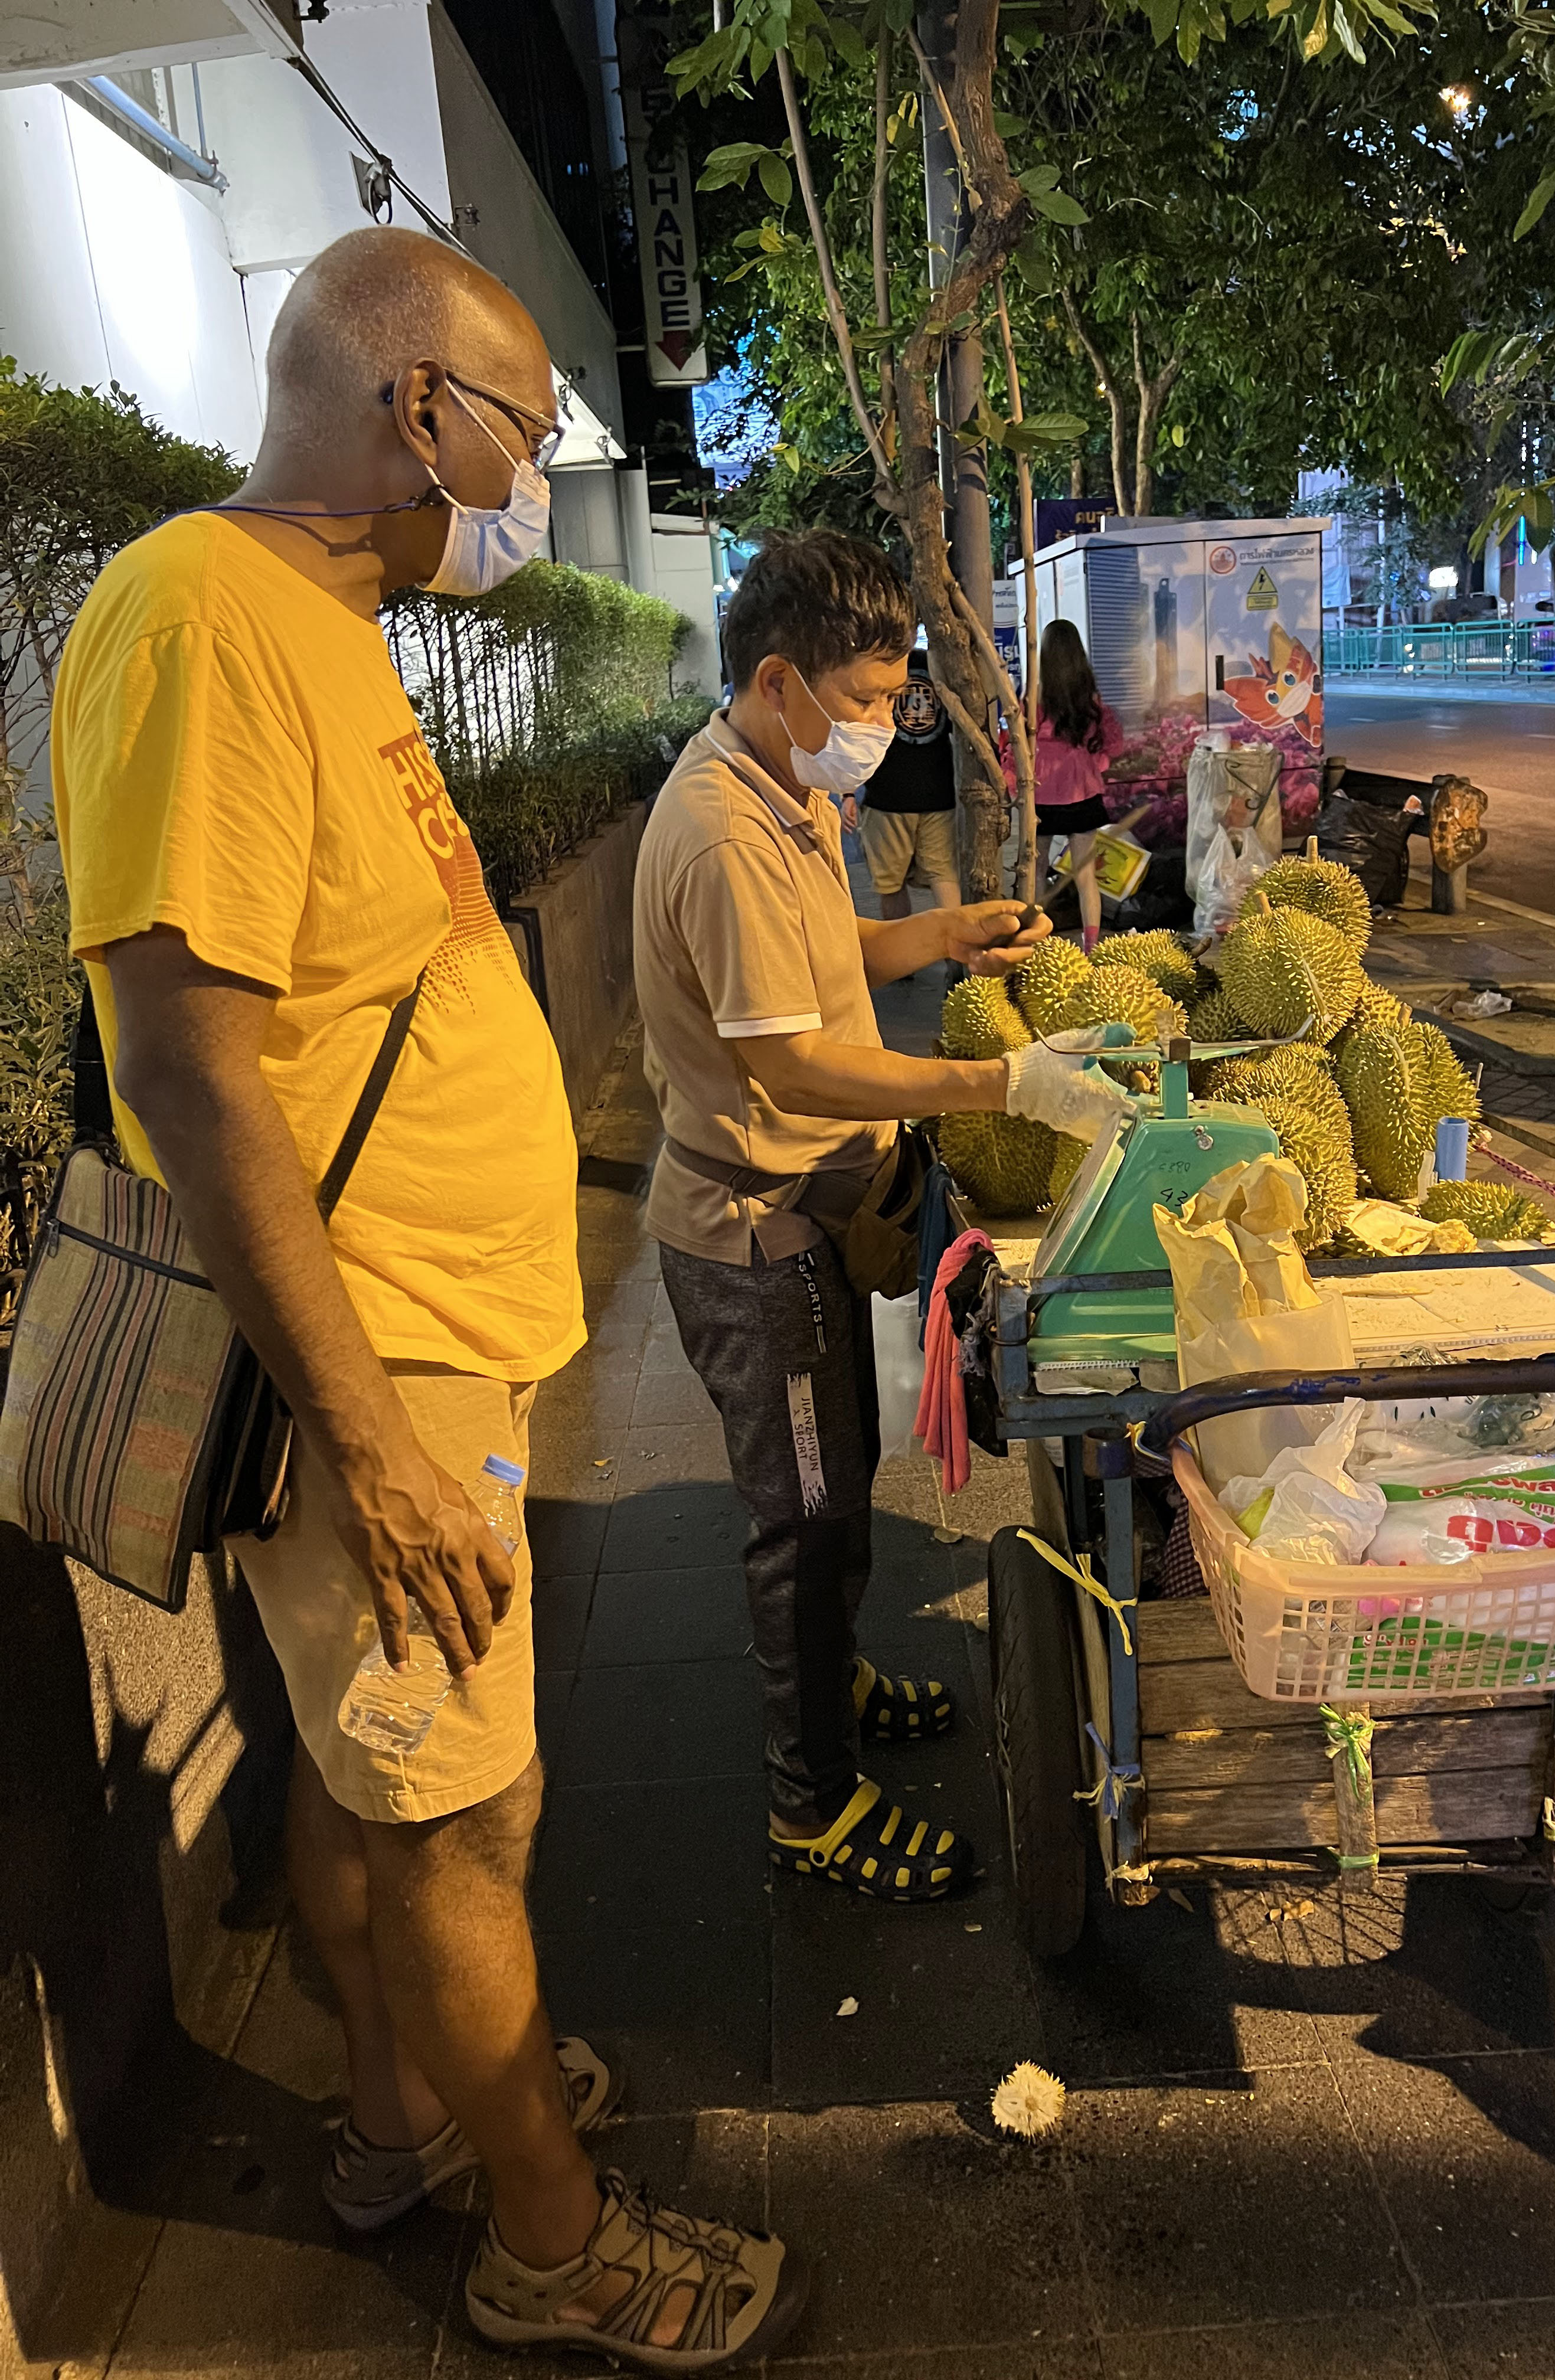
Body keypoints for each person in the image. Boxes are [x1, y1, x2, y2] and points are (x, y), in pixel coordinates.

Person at [52, 227, 803, 2372]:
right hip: (367, 1368)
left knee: (370, 1773)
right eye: (519, 431)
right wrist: (374, 1439)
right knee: (467, 1812)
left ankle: (400, 2112)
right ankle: (555, 2245)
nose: (527, 475)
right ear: (414, 411)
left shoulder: (312, 620)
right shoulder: (201, 617)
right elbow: (185, 1061)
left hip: (416, 1340)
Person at [632, 530, 1132, 1905]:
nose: (878, 726)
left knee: (837, 1490)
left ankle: (831, 1679)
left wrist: (945, 932)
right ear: (782, 680)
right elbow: (791, 1060)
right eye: (863, 700)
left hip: (804, 1223)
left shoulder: (775, 783)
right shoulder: (728, 831)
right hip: (749, 1240)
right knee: (797, 1519)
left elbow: (830, 955)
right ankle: (810, 1802)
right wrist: (999, 1079)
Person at [841, 645, 962, 921]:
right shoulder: (937, 665)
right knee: (944, 877)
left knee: (890, 886)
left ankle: (903, 960)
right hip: (939, 791)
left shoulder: (877, 670)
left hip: (887, 795)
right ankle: (961, 960)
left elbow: (858, 730)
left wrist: (848, 791)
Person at [1024, 617, 1125, 948]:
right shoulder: (1089, 699)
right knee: (1086, 877)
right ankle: (1092, 945)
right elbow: (1113, 743)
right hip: (1084, 795)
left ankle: (1037, 942)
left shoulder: (1034, 699)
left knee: (1035, 873)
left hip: (1041, 798)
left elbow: (1017, 744)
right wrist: (1097, 765)